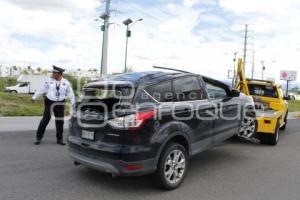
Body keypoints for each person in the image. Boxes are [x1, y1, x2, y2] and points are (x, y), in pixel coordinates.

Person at [32, 65, 75, 145]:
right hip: (49, 102)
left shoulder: (66, 82)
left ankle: (59, 139)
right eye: (52, 72)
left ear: (59, 74)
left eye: (54, 73)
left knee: (59, 121)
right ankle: (38, 137)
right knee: (45, 119)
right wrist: (35, 97)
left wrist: (73, 105)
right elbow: (42, 89)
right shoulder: (49, 80)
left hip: (60, 103)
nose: (52, 74)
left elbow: (71, 94)